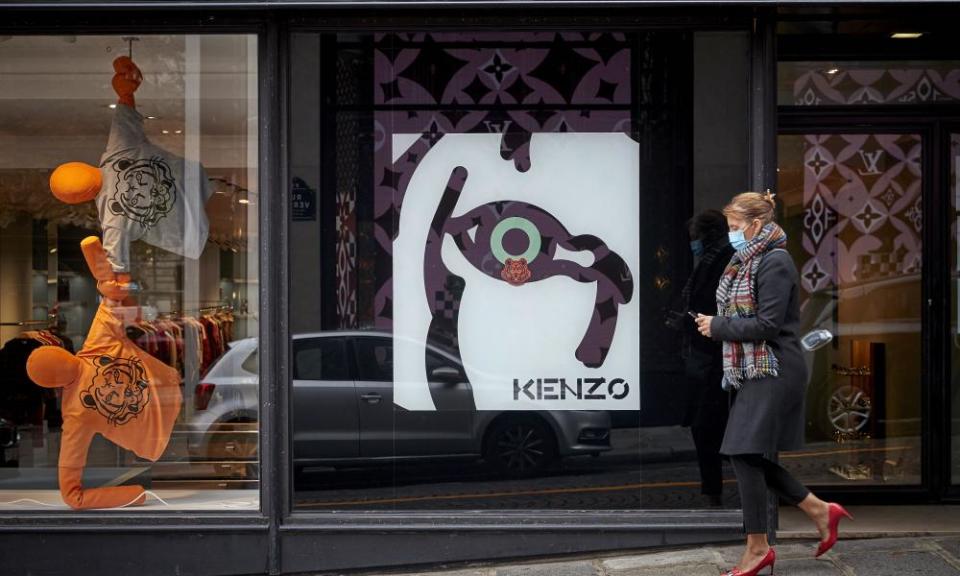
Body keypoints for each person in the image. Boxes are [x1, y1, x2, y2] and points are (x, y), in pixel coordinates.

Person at [694, 191, 852, 576]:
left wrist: (716, 326)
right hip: (759, 369)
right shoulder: (745, 261)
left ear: (756, 225)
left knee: (739, 449)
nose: (731, 235)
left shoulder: (774, 261)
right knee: (743, 452)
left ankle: (759, 547)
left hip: (775, 367)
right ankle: (815, 511)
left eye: (735, 228)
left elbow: (767, 324)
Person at [666, 209, 733, 506]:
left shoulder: (723, 261)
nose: (692, 243)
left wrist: (689, 321)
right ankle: (713, 490)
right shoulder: (709, 261)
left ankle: (715, 492)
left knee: (708, 427)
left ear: (707, 236)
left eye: (695, 237)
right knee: (707, 427)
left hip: (713, 357)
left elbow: (715, 307)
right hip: (704, 356)